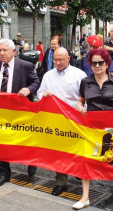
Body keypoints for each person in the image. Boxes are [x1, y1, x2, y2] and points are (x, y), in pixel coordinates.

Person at [0, 38, 40, 187]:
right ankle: (4, 173)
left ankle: (31, 162)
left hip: (20, 111)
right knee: (1, 142)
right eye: (0, 50)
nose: (2, 53)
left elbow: (36, 82)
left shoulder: (25, 66)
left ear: (13, 51)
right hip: (1, 111)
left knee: (23, 140)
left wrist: (29, 89)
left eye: (5, 50)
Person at [73, 48, 113, 210]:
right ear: (90, 65)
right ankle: (85, 197)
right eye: (94, 63)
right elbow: (81, 99)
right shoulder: (85, 81)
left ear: (107, 64)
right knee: (87, 158)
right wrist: (79, 106)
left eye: (101, 63)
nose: (97, 66)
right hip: (92, 126)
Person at [37, 48, 86, 197]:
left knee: (77, 149)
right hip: (56, 120)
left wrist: (81, 106)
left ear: (68, 59)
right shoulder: (48, 75)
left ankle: (78, 171)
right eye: (55, 60)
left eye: (61, 60)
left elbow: (85, 96)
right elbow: (39, 92)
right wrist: (43, 95)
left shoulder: (79, 75)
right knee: (59, 152)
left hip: (75, 118)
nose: (57, 63)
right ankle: (61, 182)